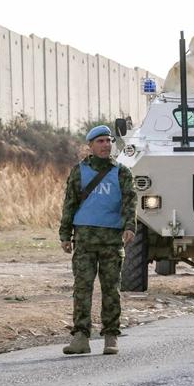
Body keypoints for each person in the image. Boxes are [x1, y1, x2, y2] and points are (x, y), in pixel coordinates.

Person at [59, 125, 137, 355]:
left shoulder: (122, 172)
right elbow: (69, 203)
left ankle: (110, 336)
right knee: (82, 289)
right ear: (90, 146)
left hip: (112, 240)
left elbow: (129, 201)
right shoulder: (79, 171)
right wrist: (65, 234)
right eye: (100, 141)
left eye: (108, 141)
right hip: (84, 240)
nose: (105, 145)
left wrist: (130, 226)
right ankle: (81, 337)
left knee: (111, 289)